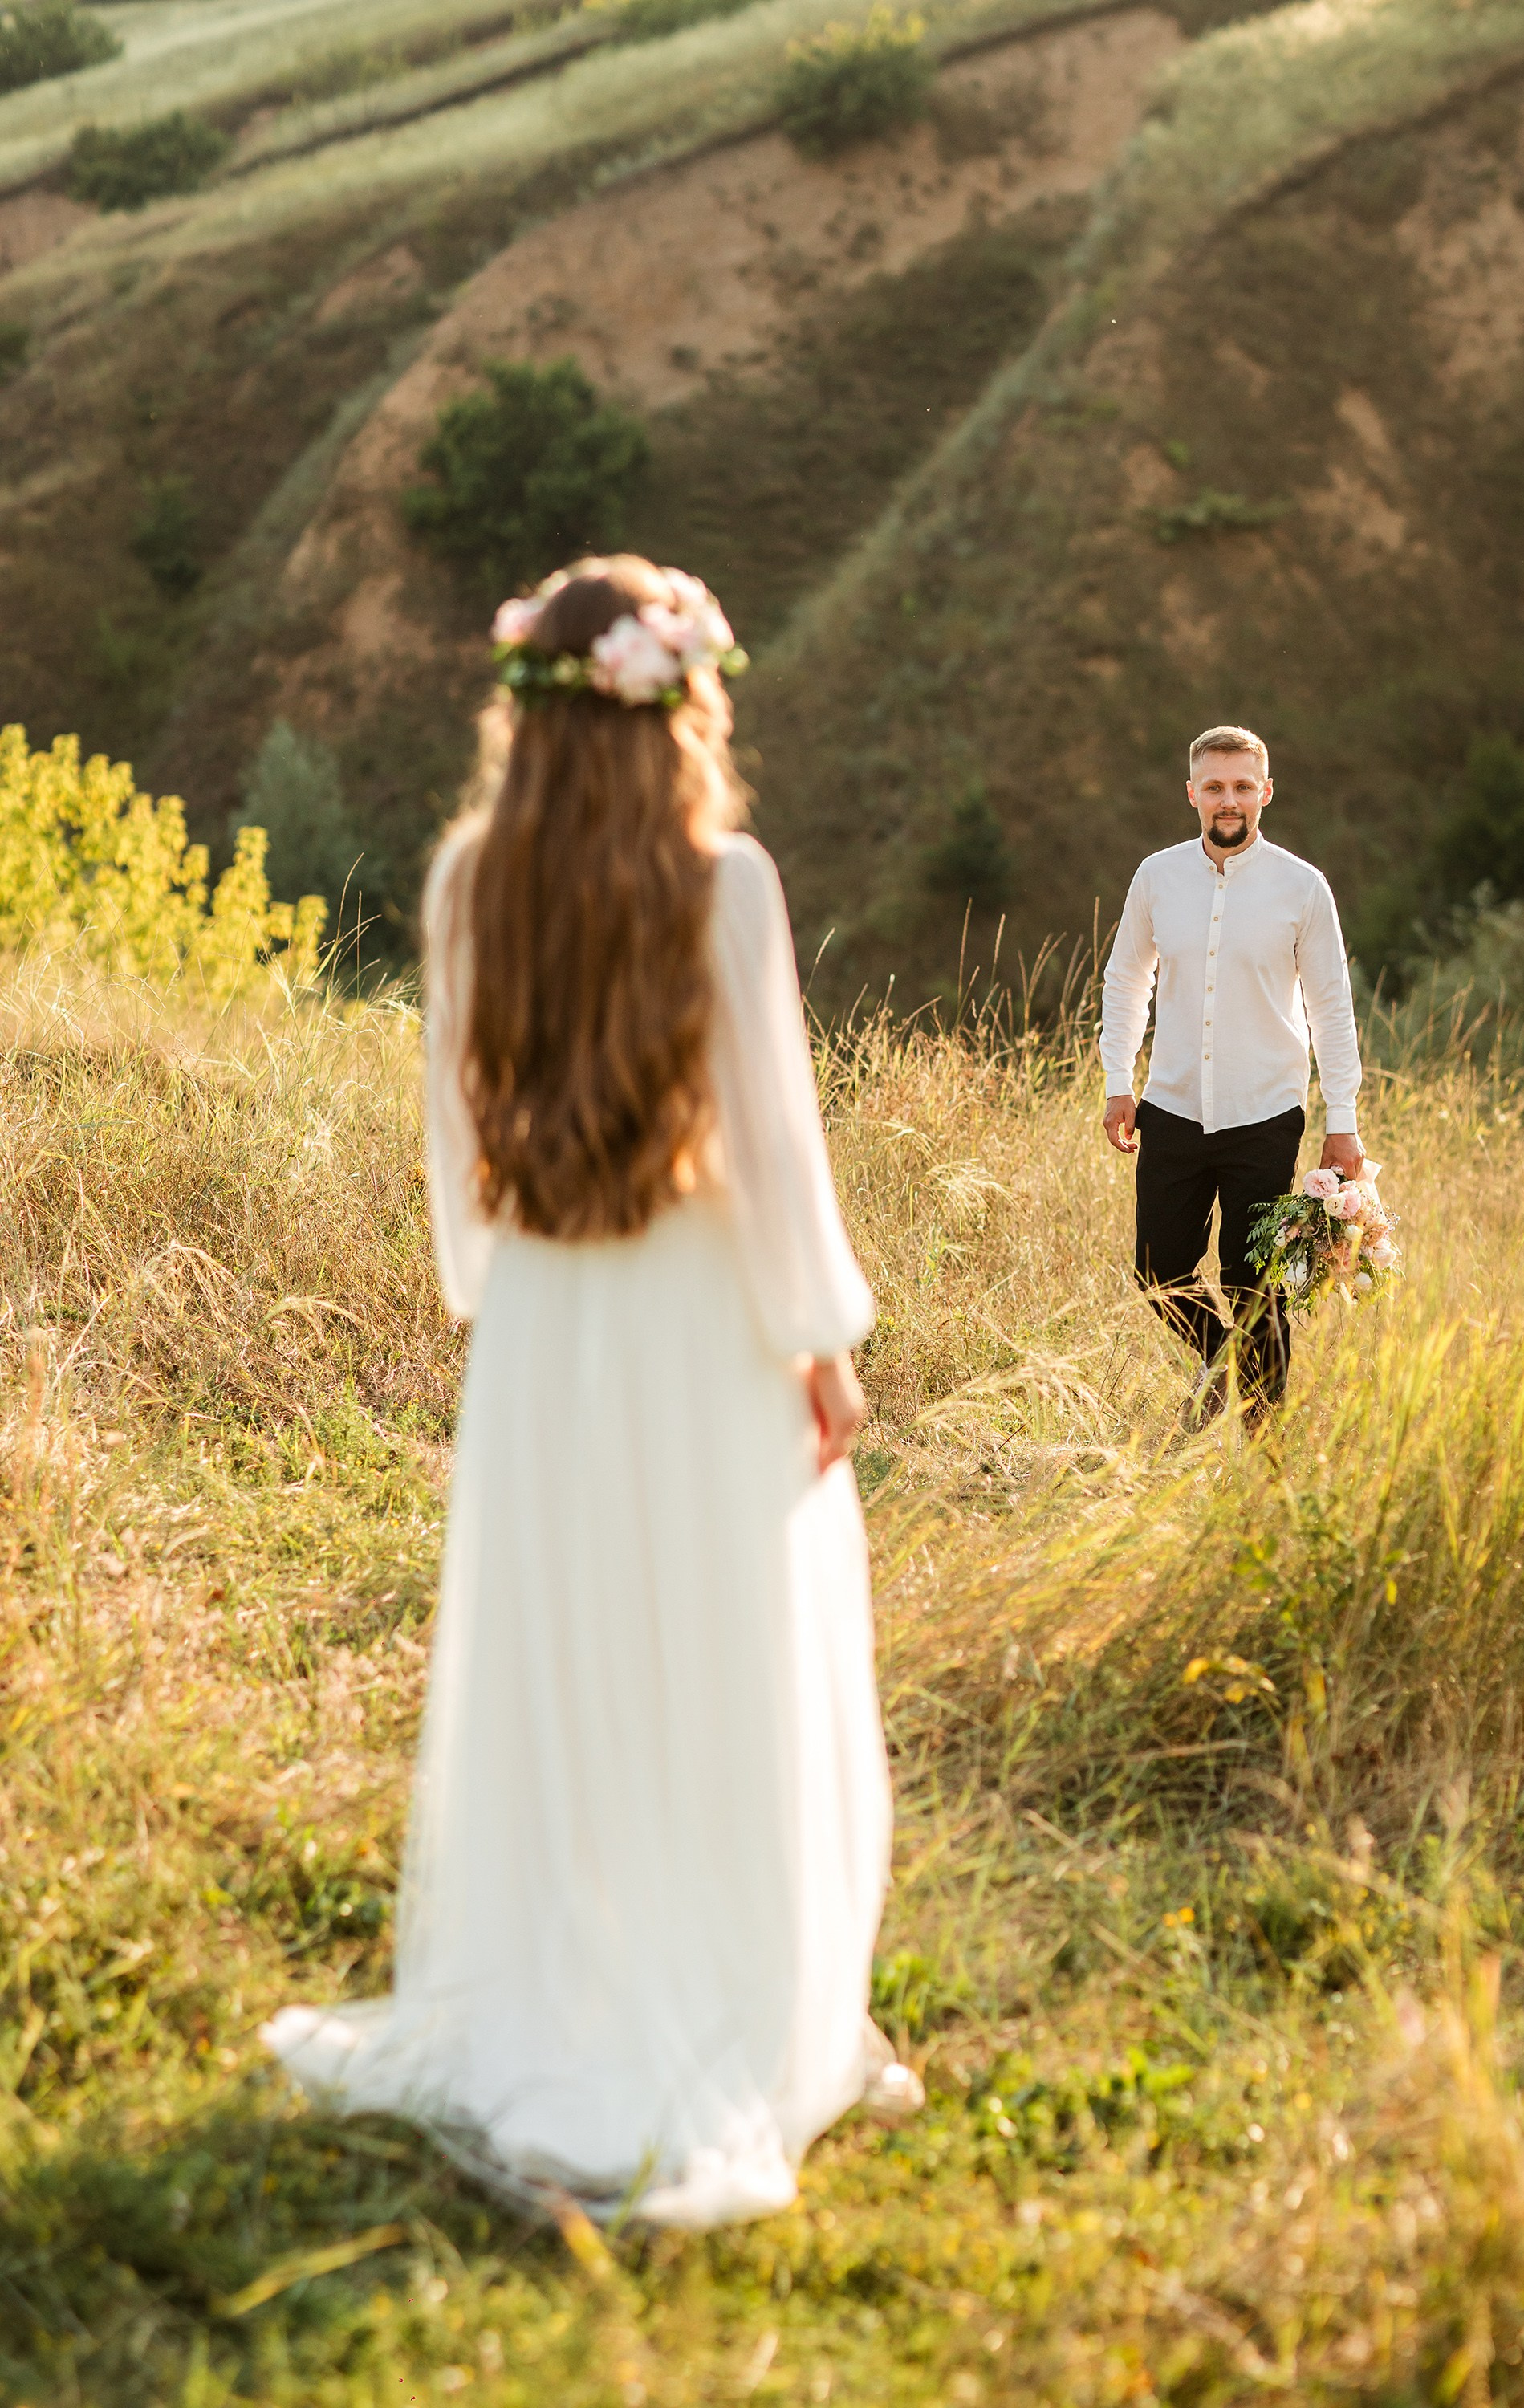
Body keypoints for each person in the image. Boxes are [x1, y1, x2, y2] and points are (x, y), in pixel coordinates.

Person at [263, 556, 915, 2227]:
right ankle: (760, 2017)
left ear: (527, 715)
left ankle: (572, 1995)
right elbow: (773, 1146)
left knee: (567, 1660)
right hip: (699, 1317)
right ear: (678, 698)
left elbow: (451, 1133)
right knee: (721, 1649)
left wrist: (494, 1288)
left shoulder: (470, 877)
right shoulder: (731, 884)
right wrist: (817, 1339)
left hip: (550, 1317)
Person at [1099, 725, 1365, 1423]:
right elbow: (1127, 978)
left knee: (1257, 1288)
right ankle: (1222, 1362)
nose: (1229, 800)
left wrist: (1344, 1123)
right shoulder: (1156, 877)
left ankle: (1267, 1452)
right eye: (1214, 786)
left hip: (1265, 1115)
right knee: (1156, 1272)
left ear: (1265, 792)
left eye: (1242, 786)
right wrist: (1117, 1080)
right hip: (1173, 1105)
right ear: (1192, 793)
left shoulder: (1303, 889)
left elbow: (1331, 1008)